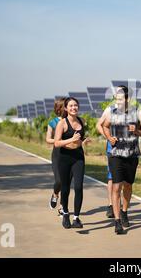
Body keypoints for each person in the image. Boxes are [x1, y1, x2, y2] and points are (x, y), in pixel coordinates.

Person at [102, 86, 141, 234]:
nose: (118, 101)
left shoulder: (138, 113)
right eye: (117, 98)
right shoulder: (112, 112)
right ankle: (117, 222)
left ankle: (124, 212)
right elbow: (104, 126)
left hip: (132, 155)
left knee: (127, 186)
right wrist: (109, 138)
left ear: (128, 99)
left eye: (121, 98)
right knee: (116, 187)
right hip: (116, 155)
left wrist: (136, 131)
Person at [54, 97, 91, 229]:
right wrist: (71, 139)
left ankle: (76, 218)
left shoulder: (82, 121)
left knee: (79, 187)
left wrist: (83, 141)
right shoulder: (62, 123)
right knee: (65, 188)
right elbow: (57, 143)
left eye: (75, 105)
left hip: (78, 157)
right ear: (65, 108)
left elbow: (79, 141)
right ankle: (65, 214)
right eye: (70, 106)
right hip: (65, 158)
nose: (73, 108)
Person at [96, 86, 124, 219]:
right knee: (112, 178)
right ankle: (111, 205)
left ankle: (122, 207)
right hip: (112, 148)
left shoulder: (132, 111)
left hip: (128, 150)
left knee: (124, 180)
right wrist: (109, 138)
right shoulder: (109, 109)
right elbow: (99, 125)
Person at [46, 97, 65, 216]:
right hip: (57, 154)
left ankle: (63, 207)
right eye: (65, 106)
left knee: (66, 182)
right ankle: (55, 194)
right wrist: (60, 140)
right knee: (59, 180)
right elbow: (48, 139)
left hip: (70, 155)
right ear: (59, 108)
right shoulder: (53, 122)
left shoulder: (72, 121)